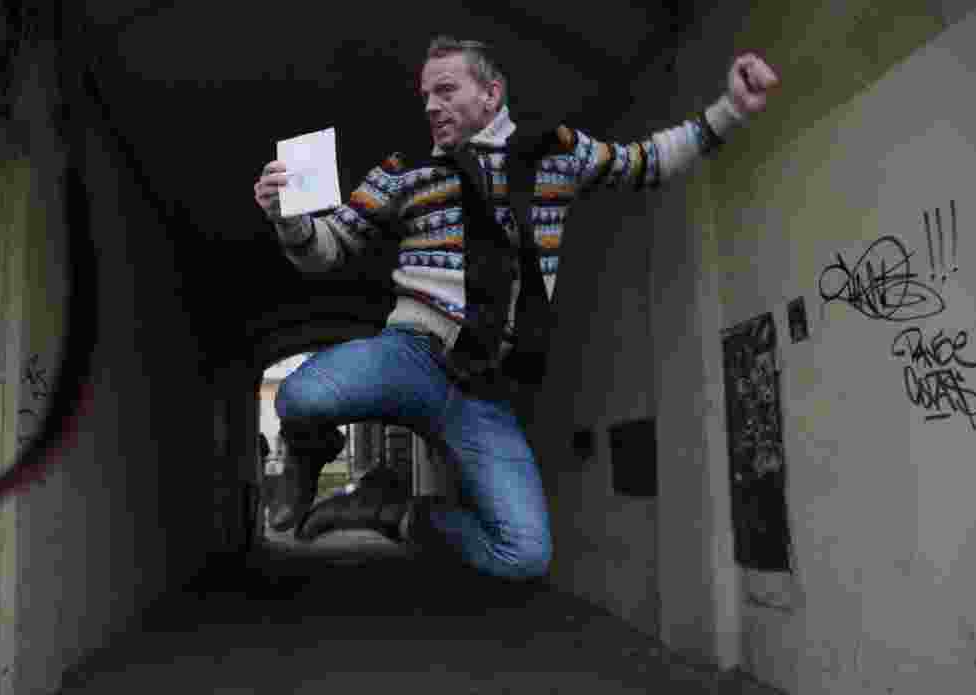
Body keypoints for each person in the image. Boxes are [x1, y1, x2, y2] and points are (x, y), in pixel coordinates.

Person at [253, 36, 779, 580]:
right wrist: (288, 220)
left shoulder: (557, 154)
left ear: (491, 93)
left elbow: (644, 163)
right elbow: (330, 246)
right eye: (425, 95)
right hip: (410, 357)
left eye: (446, 90)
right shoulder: (404, 169)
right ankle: (309, 457)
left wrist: (731, 110)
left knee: (524, 553)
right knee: (298, 396)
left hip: (483, 385)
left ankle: (392, 515)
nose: (430, 105)